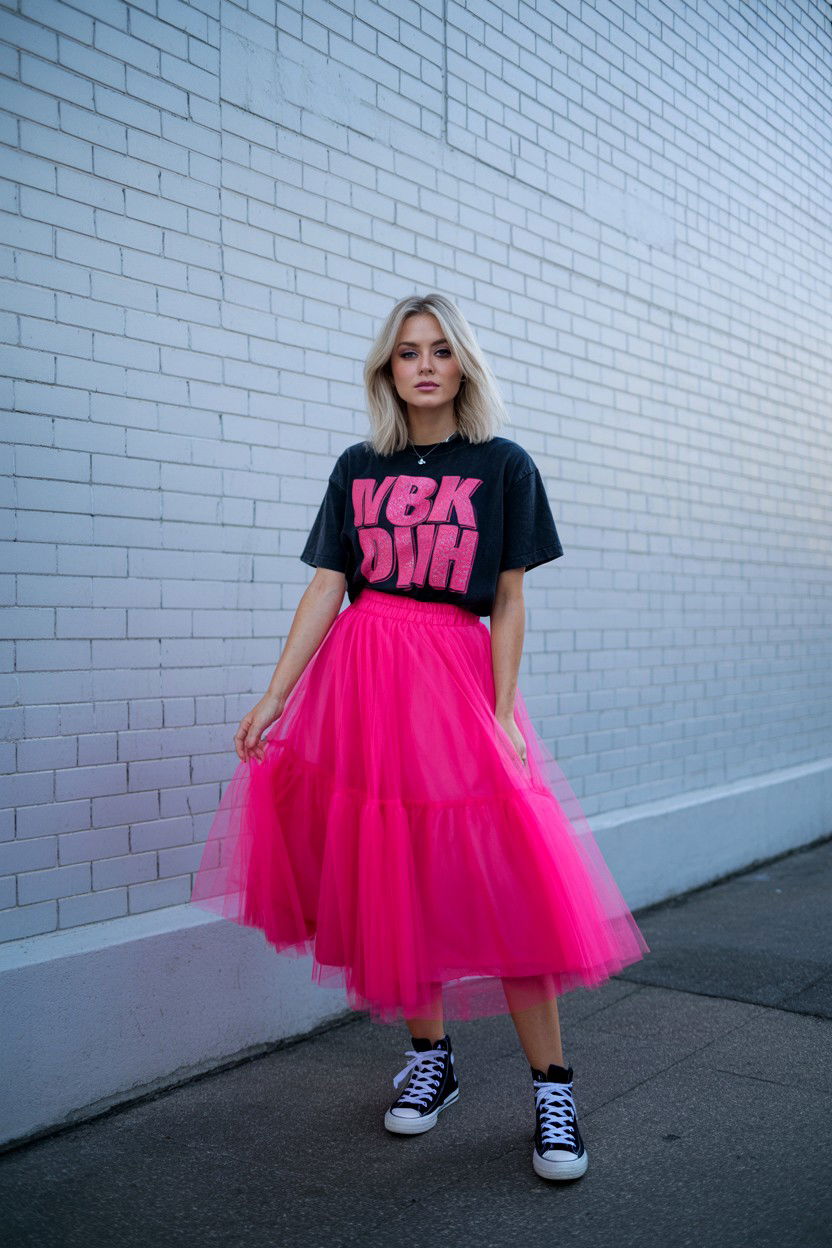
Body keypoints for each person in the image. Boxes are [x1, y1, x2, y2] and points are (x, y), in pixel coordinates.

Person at [190, 292, 650, 1182]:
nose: (425, 365)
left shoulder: (503, 465)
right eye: (408, 352)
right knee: (393, 871)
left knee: (508, 879)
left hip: (453, 677)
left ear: (463, 364)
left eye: (441, 350)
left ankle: (553, 1090)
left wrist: (502, 714)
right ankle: (431, 1060)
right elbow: (329, 584)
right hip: (362, 680)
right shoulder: (358, 466)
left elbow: (509, 598)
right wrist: (275, 696)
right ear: (388, 369)